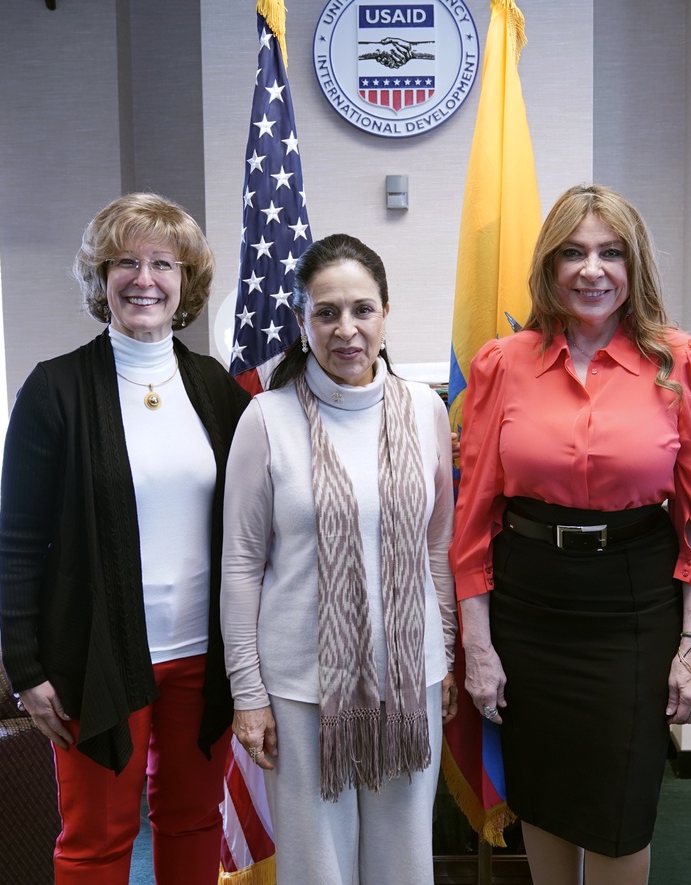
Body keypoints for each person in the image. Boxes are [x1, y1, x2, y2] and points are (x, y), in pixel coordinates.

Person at [450, 184, 691, 885]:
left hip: (634, 601)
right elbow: (472, 516)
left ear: (634, 266)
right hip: (528, 603)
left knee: (619, 803)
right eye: (573, 252)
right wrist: (477, 645)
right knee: (543, 793)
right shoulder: (501, 363)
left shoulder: (679, 360)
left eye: (609, 252)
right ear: (549, 265)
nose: (591, 269)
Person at [0, 193, 250, 884]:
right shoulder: (54, 391)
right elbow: (18, 540)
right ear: (100, 278)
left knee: (195, 819)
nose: (145, 278)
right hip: (94, 656)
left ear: (186, 281)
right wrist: (27, 666)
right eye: (126, 262)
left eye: (163, 263)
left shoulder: (218, 392)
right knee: (97, 837)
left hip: (204, 652)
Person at [220, 233, 458, 885]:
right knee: (317, 870)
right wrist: (248, 694)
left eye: (362, 309)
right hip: (301, 691)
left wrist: (446, 655)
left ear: (386, 314)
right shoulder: (265, 420)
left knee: (403, 863)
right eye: (326, 312)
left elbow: (436, 544)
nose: (346, 329)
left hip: (410, 682)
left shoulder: (424, 410)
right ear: (301, 322)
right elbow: (240, 566)